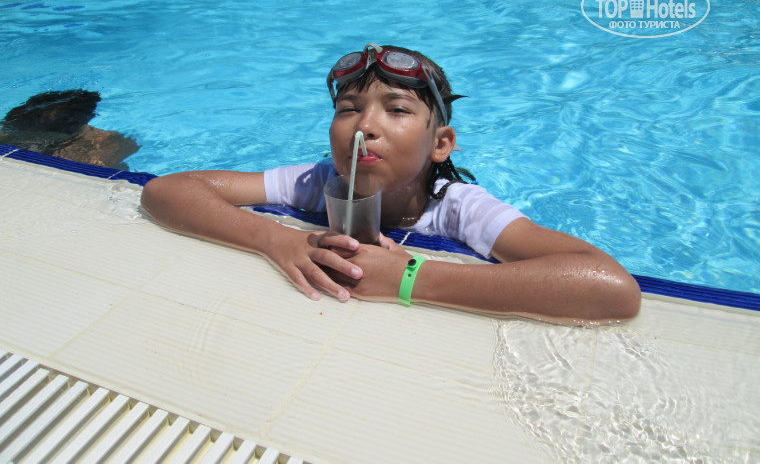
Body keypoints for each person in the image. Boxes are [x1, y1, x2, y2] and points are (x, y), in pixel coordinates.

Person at [141, 43, 641, 323]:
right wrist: (278, 241)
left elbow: (611, 287)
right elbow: (166, 191)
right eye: (348, 109)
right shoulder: (318, 181)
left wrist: (410, 278)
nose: (364, 126)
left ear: (440, 144)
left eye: (397, 110)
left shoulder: (458, 208)